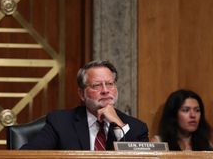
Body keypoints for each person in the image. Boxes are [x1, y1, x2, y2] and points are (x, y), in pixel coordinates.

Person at [20, 60, 149, 150]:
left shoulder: (136, 128)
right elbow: (28, 154)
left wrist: (119, 125)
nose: (105, 90)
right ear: (82, 94)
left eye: (110, 84)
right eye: (97, 85)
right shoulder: (60, 123)